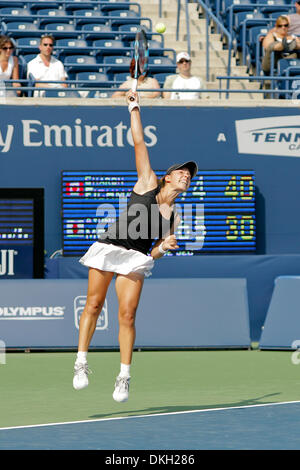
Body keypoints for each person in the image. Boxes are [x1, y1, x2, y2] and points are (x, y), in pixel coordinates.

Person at [73, 89, 198, 403]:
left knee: (127, 316)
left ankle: (124, 376)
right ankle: (81, 361)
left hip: (135, 259)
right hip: (109, 247)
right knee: (93, 305)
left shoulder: (176, 217)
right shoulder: (147, 181)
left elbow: (152, 252)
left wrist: (163, 248)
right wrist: (134, 107)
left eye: (189, 174)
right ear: (167, 177)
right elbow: (139, 141)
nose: (186, 174)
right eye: (181, 171)